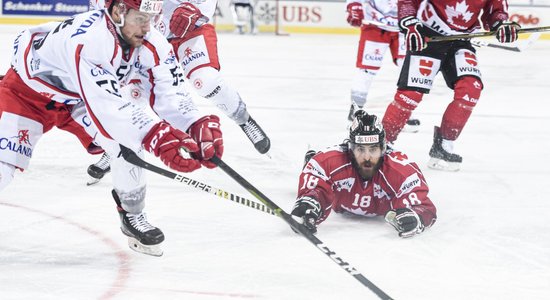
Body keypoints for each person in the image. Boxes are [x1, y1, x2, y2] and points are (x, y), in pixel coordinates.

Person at [0, 0, 224, 256]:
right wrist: (158, 137)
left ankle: (132, 215)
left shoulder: (151, 39)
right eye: (140, 18)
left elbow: (170, 92)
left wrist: (194, 124)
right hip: (27, 95)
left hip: (78, 99)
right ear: (118, 12)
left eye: (151, 18)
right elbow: (108, 108)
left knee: (126, 145)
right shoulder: (91, 41)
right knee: (3, 168)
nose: (147, 26)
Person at [87, 0, 271, 184]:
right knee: (130, 96)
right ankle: (116, 148)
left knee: (205, 81)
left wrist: (196, 9)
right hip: (144, 34)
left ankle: (243, 119)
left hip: (188, 31)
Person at [381, 0, 520, 171]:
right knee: (410, 95)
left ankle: (443, 146)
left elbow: (496, 10)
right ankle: (380, 146)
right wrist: (409, 23)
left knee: (471, 89)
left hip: (461, 41)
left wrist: (501, 24)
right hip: (428, 37)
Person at [291, 110, 437, 237]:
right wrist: (311, 200)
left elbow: (425, 208)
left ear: (383, 149)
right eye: (360, 149)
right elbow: (315, 181)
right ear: (350, 148)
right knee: (312, 165)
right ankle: (308, 159)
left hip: (360, 201)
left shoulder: (401, 172)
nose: (367, 157)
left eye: (373, 149)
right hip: (339, 201)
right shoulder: (329, 161)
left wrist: (417, 217)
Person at [345, 0, 420, 131]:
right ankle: (356, 110)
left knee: (407, 69)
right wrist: (354, 4)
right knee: (367, 70)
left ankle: (404, 112)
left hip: (405, 26)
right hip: (375, 25)